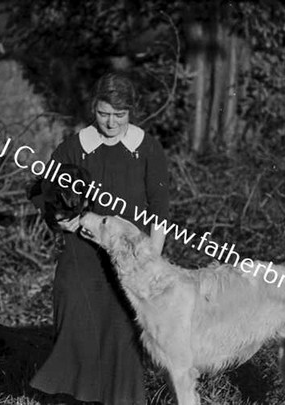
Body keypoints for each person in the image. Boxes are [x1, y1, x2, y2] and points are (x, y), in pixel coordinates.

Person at [29, 72, 170, 404]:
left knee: (124, 334)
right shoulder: (76, 147)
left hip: (130, 260)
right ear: (94, 107)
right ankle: (72, 397)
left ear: (131, 112)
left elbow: (160, 208)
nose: (111, 122)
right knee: (75, 320)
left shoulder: (146, 148)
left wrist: (152, 259)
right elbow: (42, 191)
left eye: (119, 115)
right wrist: (60, 219)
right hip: (82, 256)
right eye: (104, 113)